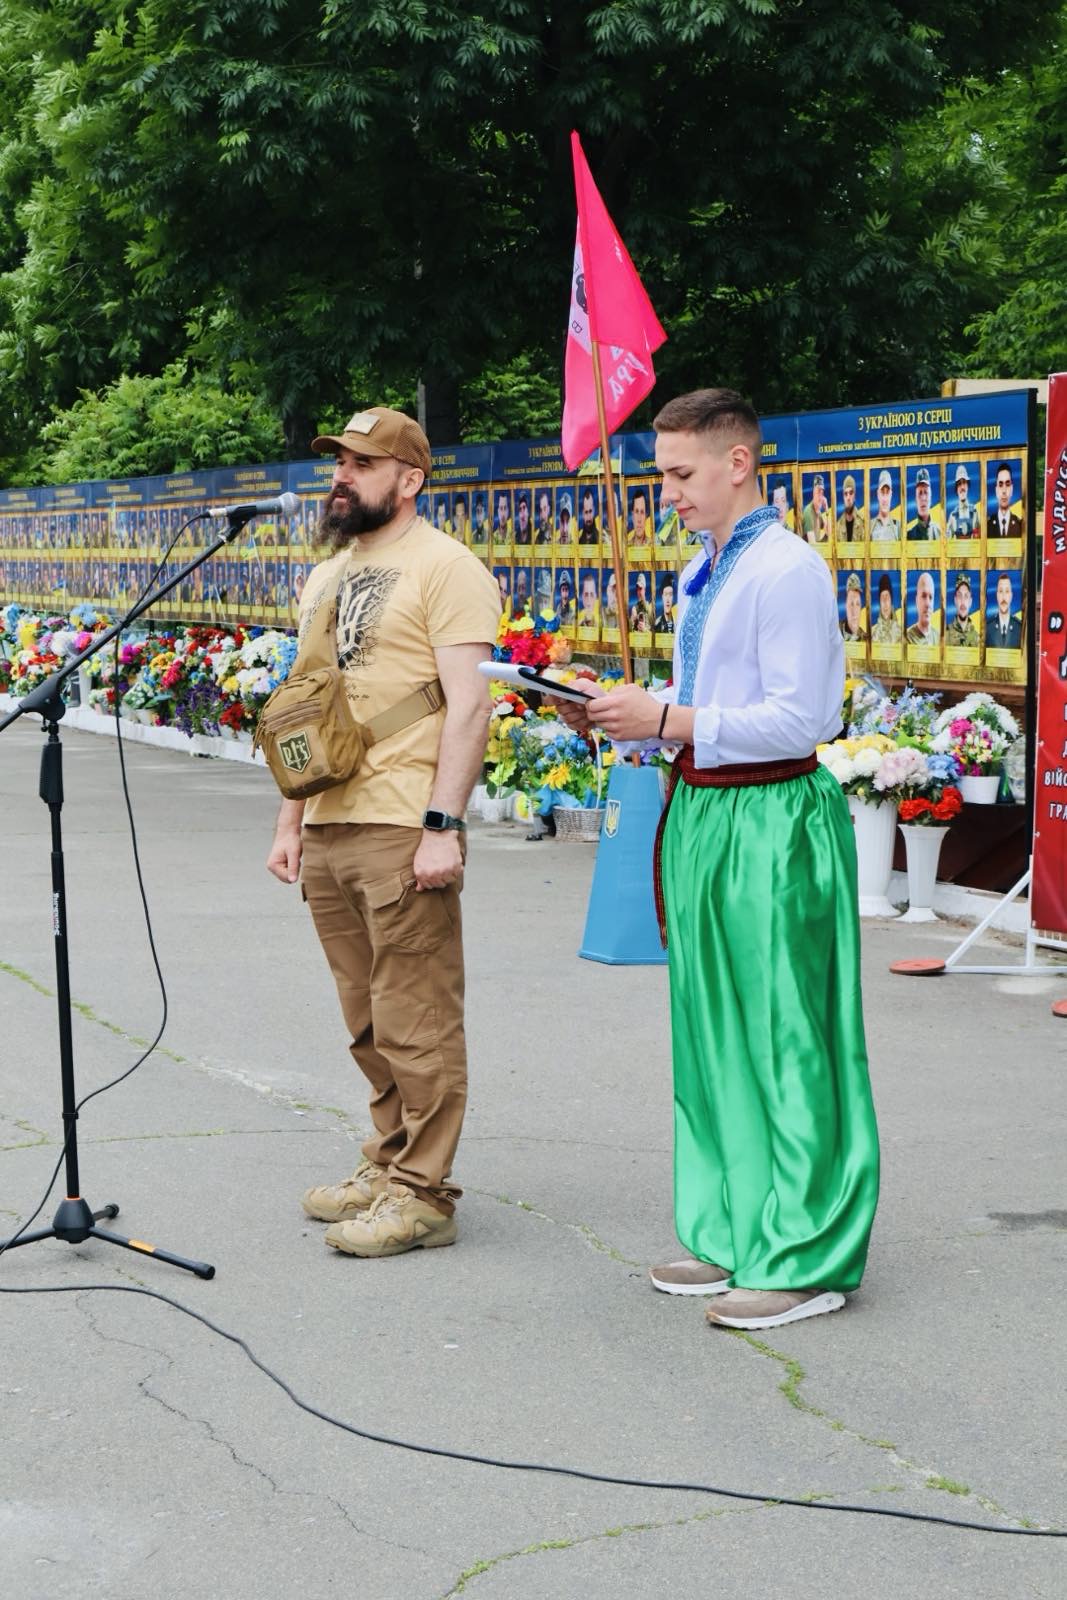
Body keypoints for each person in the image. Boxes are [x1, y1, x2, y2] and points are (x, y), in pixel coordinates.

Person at [549, 387, 879, 1331]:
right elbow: (705, 700)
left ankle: (807, 1255)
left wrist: (666, 717)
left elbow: (801, 719)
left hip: (771, 816)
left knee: (784, 1034)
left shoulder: (786, 569)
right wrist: (621, 712)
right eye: (662, 476)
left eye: (679, 474)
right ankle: (735, 1230)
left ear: (738, 462)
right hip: (701, 807)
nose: (667, 494)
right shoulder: (706, 567)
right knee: (711, 1031)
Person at [268, 405, 500, 1259]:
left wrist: (442, 825)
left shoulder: (448, 568)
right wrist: (290, 820)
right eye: (339, 462)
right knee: (366, 1018)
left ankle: (424, 1195)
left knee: (416, 1016)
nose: (342, 476)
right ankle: (388, 1160)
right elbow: (300, 709)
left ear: (409, 479)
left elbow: (469, 705)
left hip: (403, 820)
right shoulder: (327, 576)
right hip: (330, 822)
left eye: (362, 464)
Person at [987, 463, 1023, 540]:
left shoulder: (1021, 525)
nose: (1004, 491)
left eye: (1007, 484)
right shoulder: (987, 525)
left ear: (1012, 489)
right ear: (996, 490)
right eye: (1000, 485)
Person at [988, 572, 1022, 648]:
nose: (1003, 597)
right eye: (1001, 591)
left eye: (1007, 591)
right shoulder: (988, 627)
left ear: (1011, 596)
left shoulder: (1020, 628)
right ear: (997, 595)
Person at [944, 573, 979, 647]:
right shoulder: (945, 635)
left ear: (970, 602)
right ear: (955, 600)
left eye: (966, 596)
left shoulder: (977, 639)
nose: (963, 602)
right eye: (959, 596)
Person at [906, 466, 940, 541]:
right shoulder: (909, 537)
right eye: (920, 493)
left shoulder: (940, 533)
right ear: (916, 499)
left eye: (926, 492)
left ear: (931, 497)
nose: (923, 498)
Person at [906, 570, 939, 645]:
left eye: (931, 597)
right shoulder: (907, 638)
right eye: (924, 596)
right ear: (916, 600)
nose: (928, 604)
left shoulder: (939, 639)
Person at [946, 466, 980, 537]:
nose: (962, 487)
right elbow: (946, 540)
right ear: (956, 489)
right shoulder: (952, 516)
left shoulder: (975, 513)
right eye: (959, 484)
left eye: (964, 482)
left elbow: (981, 537)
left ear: (968, 486)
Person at [870, 574, 901, 645]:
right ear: (879, 603)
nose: (885, 601)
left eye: (887, 596)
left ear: (891, 600)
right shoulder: (873, 635)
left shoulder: (901, 634)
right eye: (882, 597)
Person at [869, 469, 900, 541]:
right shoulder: (869, 527)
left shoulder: (898, 527)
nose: (885, 499)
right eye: (882, 492)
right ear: (878, 494)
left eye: (887, 492)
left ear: (891, 494)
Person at [836, 474, 865, 542]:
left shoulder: (863, 522)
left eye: (851, 493)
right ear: (843, 497)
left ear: (854, 496)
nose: (848, 498)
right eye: (846, 494)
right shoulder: (838, 525)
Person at [801, 474, 830, 543]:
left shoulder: (818, 512)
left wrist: (826, 510)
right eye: (818, 492)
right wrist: (825, 540)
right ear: (813, 493)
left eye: (822, 493)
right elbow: (813, 545)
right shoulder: (808, 512)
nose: (820, 497)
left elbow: (828, 531)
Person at [840, 572, 867, 641]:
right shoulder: (834, 633)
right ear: (846, 606)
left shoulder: (866, 640)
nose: (854, 611)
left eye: (857, 604)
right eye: (851, 604)